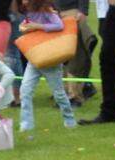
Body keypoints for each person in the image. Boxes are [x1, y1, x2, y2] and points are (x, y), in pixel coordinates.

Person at [17, 0, 76, 131]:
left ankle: (69, 120)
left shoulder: (46, 10)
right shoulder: (29, 11)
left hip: (50, 59)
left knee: (59, 93)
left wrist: (37, 26)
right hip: (34, 58)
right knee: (25, 91)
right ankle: (26, 124)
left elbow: (59, 25)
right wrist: (23, 26)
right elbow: (27, 25)